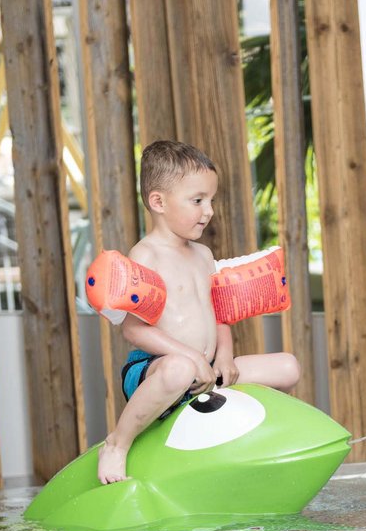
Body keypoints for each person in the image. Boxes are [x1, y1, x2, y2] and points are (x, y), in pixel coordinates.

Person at [98, 140, 300, 484]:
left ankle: (243, 437)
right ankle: (118, 444)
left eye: (211, 200)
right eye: (197, 201)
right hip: (157, 370)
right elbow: (133, 330)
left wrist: (225, 355)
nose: (208, 211)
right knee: (177, 370)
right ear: (158, 202)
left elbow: (217, 311)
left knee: (287, 367)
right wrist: (190, 356)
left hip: (207, 371)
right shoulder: (146, 256)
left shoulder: (203, 255)